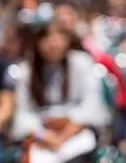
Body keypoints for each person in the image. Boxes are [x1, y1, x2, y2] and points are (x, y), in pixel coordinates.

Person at [11, 23, 111, 163]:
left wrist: (65, 134)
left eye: (58, 37)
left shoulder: (82, 62)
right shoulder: (27, 69)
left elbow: (91, 105)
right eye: (47, 38)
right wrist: (44, 136)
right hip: (42, 136)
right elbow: (23, 114)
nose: (53, 44)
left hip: (77, 132)